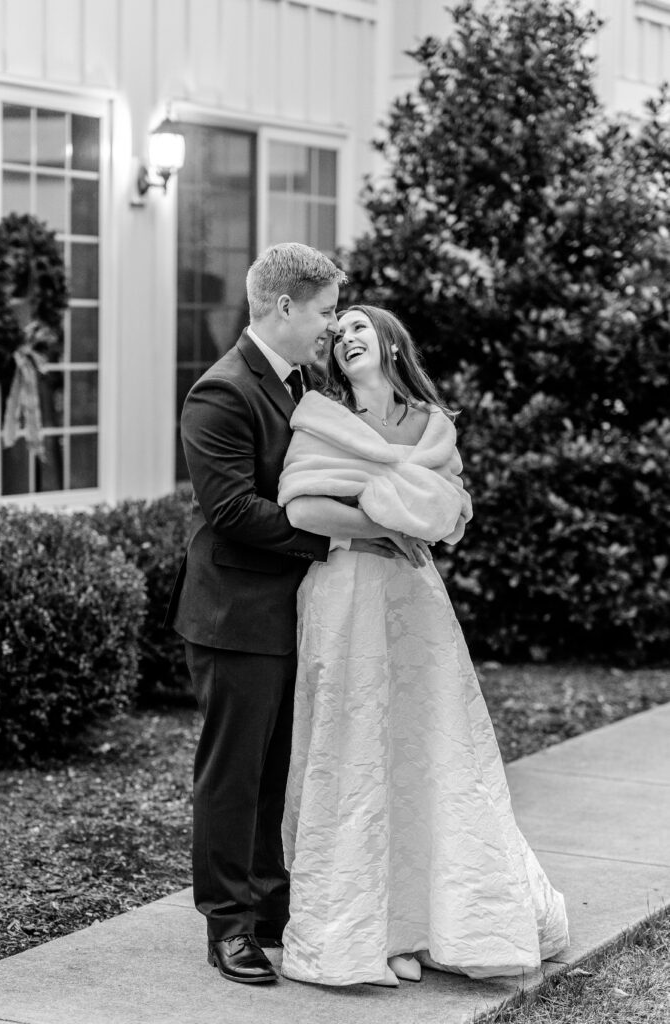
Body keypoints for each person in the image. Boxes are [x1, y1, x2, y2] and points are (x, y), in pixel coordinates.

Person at [277, 305, 570, 987]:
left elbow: (454, 514)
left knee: (424, 750)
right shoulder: (319, 417)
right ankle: (367, 933)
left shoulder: (432, 427)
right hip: (346, 590)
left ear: (389, 344)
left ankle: (419, 925)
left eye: (360, 326)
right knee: (354, 752)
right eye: (338, 328)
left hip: (413, 601)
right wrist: (379, 522)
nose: (347, 335)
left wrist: (420, 511)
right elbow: (301, 508)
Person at [165, 246, 417, 986]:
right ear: (284, 307)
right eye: (324, 310)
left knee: (277, 767)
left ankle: (272, 907)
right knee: (233, 775)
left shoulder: (298, 382)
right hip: (234, 613)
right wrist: (345, 533)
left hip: (290, 609)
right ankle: (228, 925)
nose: (331, 324)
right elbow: (234, 510)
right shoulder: (221, 392)